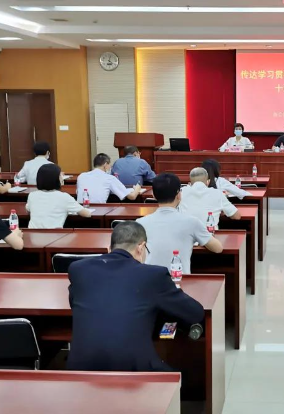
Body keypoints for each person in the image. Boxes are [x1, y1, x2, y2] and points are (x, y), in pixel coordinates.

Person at [67, 221, 205, 372]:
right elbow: (195, 313)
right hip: (134, 371)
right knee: (180, 376)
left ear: (110, 247)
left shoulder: (79, 269)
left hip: (80, 369)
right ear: (141, 247)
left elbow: (74, 302)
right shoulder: (153, 275)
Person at [137, 173, 223, 274]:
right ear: (179, 195)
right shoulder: (192, 222)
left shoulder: (140, 223)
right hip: (179, 280)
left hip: (150, 280)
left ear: (154, 196)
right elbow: (218, 248)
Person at [26, 164, 92, 228]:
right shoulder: (64, 197)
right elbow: (87, 214)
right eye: (60, 175)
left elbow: (28, 209)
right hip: (53, 234)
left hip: (32, 234)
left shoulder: (32, 195)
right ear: (55, 179)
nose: (62, 177)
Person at [77, 153, 142, 204]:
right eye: (109, 165)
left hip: (79, 211)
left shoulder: (81, 176)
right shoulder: (109, 178)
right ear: (105, 164)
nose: (110, 167)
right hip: (98, 212)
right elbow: (132, 197)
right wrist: (137, 188)